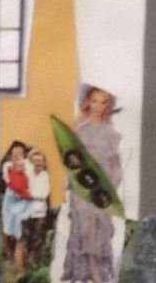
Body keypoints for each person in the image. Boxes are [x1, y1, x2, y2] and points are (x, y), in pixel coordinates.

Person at [62, 85, 123, 283]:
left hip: (102, 187)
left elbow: (115, 163)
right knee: (82, 225)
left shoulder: (110, 132)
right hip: (82, 185)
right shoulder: (79, 128)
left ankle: (97, 271)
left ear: (108, 105)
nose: (97, 106)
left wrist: (112, 185)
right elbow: (70, 157)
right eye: (94, 101)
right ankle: (80, 271)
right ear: (87, 102)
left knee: (99, 226)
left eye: (103, 102)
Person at [1, 143, 35, 267]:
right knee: (8, 230)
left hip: (25, 200)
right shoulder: (7, 165)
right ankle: (9, 256)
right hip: (11, 199)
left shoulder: (28, 165)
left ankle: (20, 263)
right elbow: (8, 180)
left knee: (21, 233)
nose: (16, 155)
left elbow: (31, 180)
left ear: (23, 154)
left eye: (19, 153)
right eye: (14, 153)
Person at [21, 150, 52, 269]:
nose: (38, 163)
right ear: (31, 162)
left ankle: (34, 261)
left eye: (40, 161)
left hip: (40, 213)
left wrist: (30, 195)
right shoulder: (27, 174)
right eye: (35, 161)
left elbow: (44, 194)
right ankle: (25, 261)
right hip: (26, 211)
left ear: (44, 163)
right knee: (26, 236)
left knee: (38, 238)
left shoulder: (46, 176)